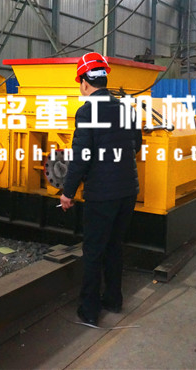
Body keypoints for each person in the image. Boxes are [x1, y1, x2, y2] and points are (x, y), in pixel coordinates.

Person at [60, 53, 142, 327]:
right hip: (127, 190)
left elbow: (80, 158)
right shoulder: (126, 108)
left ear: (84, 82)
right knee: (114, 247)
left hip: (102, 194)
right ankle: (113, 300)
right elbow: (136, 145)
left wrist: (67, 192)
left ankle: (89, 311)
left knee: (94, 251)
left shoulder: (86, 112)